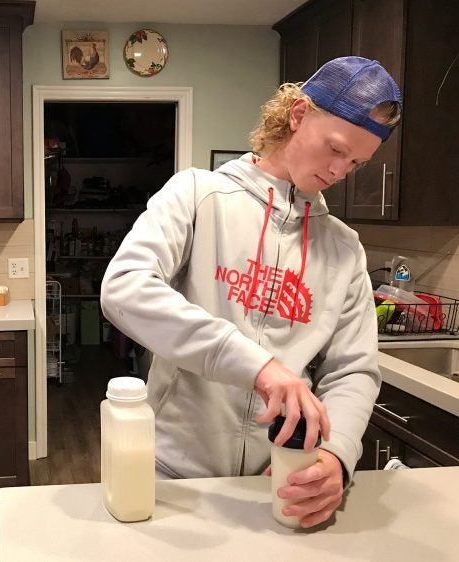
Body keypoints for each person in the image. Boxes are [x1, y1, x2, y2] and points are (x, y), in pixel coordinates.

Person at [100, 56, 402, 529]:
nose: (341, 170)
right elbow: (125, 288)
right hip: (172, 476)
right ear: (299, 115)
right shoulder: (198, 195)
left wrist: (337, 455)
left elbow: (353, 369)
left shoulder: (344, 249)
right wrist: (258, 366)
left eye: (357, 162)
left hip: (277, 485)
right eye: (335, 149)